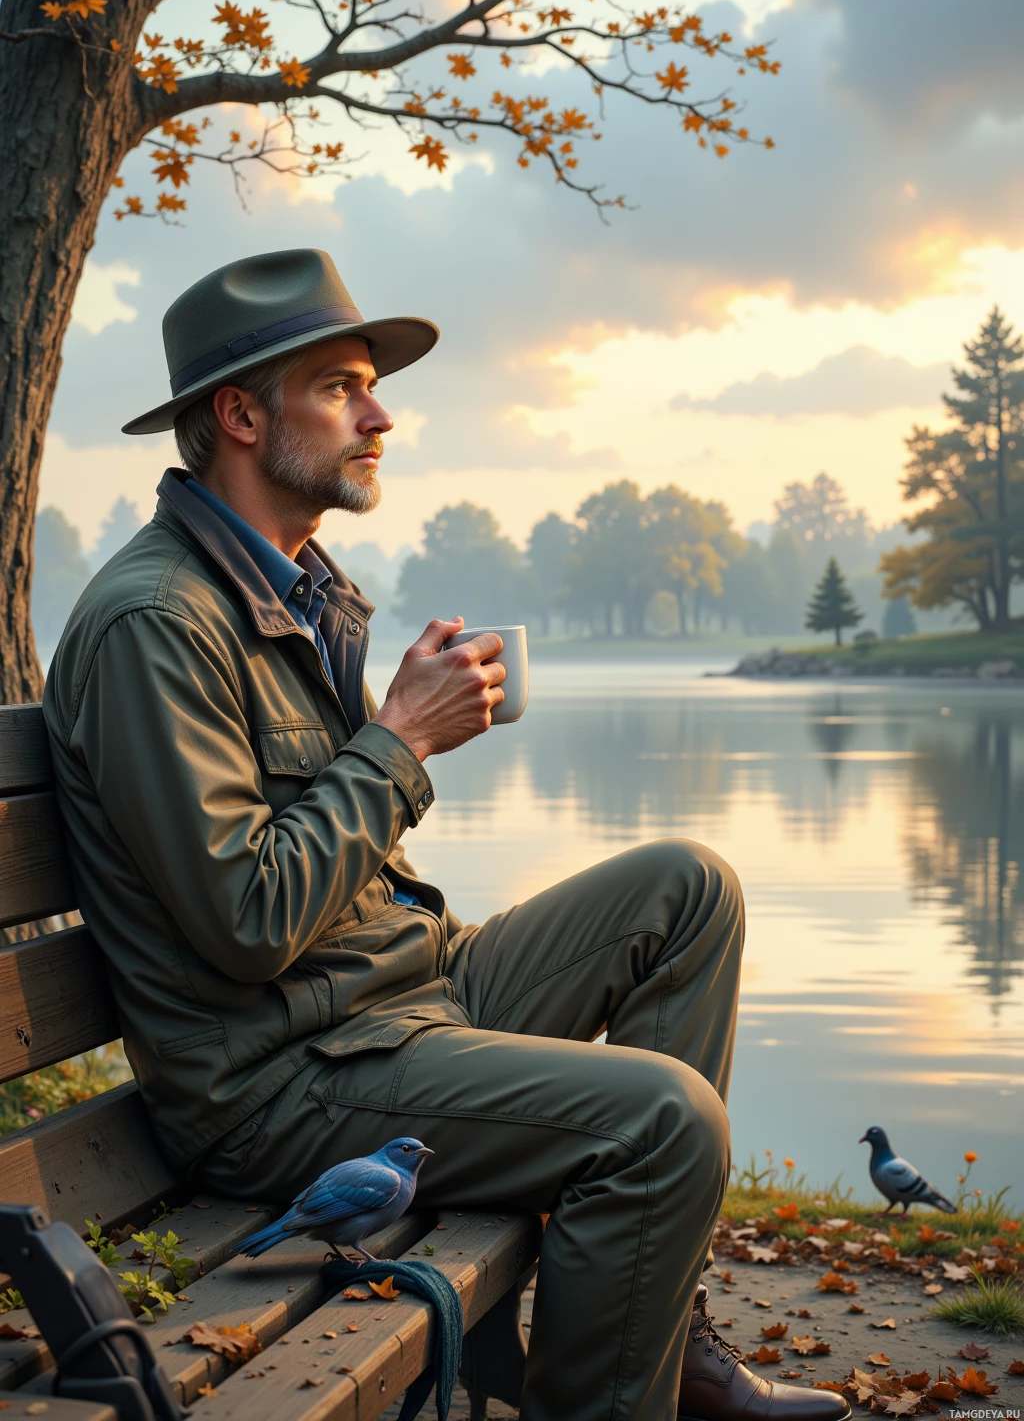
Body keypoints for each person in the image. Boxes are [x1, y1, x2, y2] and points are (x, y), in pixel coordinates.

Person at [44, 250, 848, 1421]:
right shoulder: (154, 625)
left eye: (372, 386)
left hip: (395, 1008)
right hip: (285, 1082)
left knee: (686, 887)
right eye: (341, 388)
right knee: (662, 1120)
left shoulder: (295, 590)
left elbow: (315, 857)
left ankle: (657, 1342)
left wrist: (391, 742)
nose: (380, 416)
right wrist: (401, 745)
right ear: (237, 415)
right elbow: (246, 922)